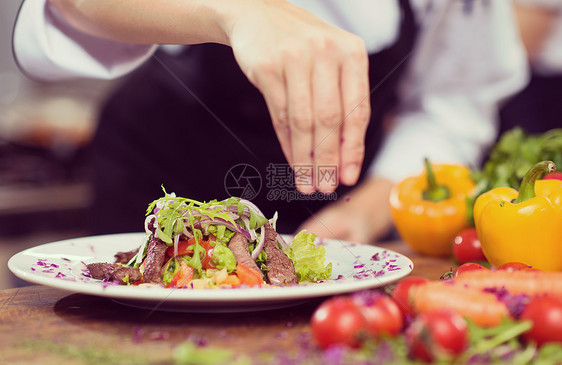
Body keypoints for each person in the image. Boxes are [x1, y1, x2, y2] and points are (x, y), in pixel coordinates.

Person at [13, 0, 527, 242]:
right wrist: (235, 12)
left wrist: (365, 213)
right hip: (160, 172)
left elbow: (451, 105)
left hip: (329, 199)